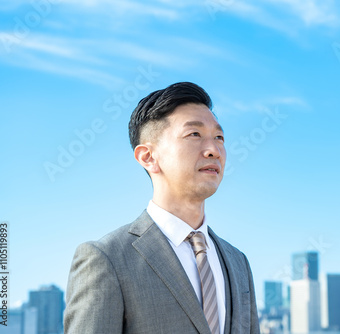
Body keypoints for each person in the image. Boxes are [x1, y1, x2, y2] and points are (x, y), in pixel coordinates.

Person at [63, 82, 260, 334]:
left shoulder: (237, 261)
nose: (214, 150)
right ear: (148, 157)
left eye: (219, 137)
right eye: (194, 135)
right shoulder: (107, 259)